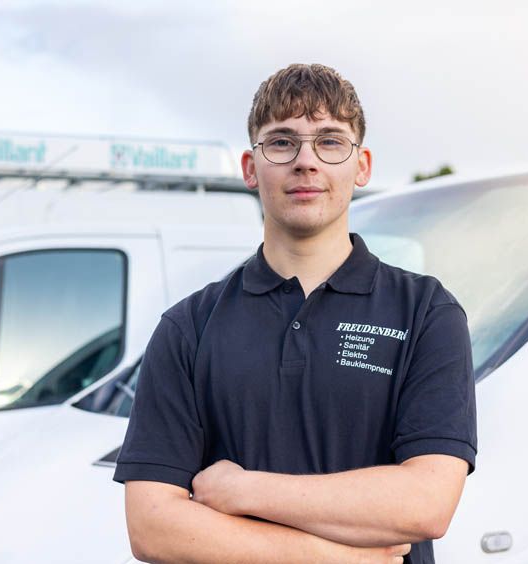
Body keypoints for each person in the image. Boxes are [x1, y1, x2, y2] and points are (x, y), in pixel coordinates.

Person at [114, 63, 477, 564]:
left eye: (330, 142)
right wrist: (335, 559)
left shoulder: (427, 312)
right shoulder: (188, 328)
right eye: (282, 143)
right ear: (250, 167)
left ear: (362, 165)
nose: (306, 162)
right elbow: (152, 527)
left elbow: (426, 503)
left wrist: (243, 490)